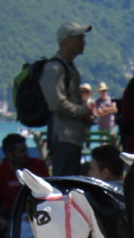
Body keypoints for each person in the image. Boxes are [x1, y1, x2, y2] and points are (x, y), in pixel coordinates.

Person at [40, 21, 95, 176]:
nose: (83, 42)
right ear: (65, 41)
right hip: (63, 135)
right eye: (78, 38)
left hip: (72, 135)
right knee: (65, 181)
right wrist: (83, 112)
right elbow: (57, 103)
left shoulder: (69, 67)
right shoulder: (55, 68)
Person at [0, 133, 50, 237]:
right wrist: (1, 221)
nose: (26, 154)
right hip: (11, 215)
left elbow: (48, 195)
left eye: (26, 150)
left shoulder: (39, 166)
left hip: (37, 213)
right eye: (22, 151)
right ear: (9, 154)